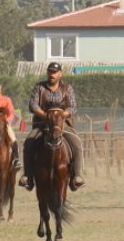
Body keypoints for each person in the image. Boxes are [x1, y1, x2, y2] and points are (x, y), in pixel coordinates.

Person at [18, 62, 85, 191]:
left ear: (60, 74)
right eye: (50, 72)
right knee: (29, 143)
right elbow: (33, 105)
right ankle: (28, 176)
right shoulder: (39, 87)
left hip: (62, 123)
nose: (52, 74)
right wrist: (46, 116)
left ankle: (77, 176)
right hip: (42, 122)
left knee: (76, 143)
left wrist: (60, 116)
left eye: (54, 72)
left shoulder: (67, 88)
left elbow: (73, 106)